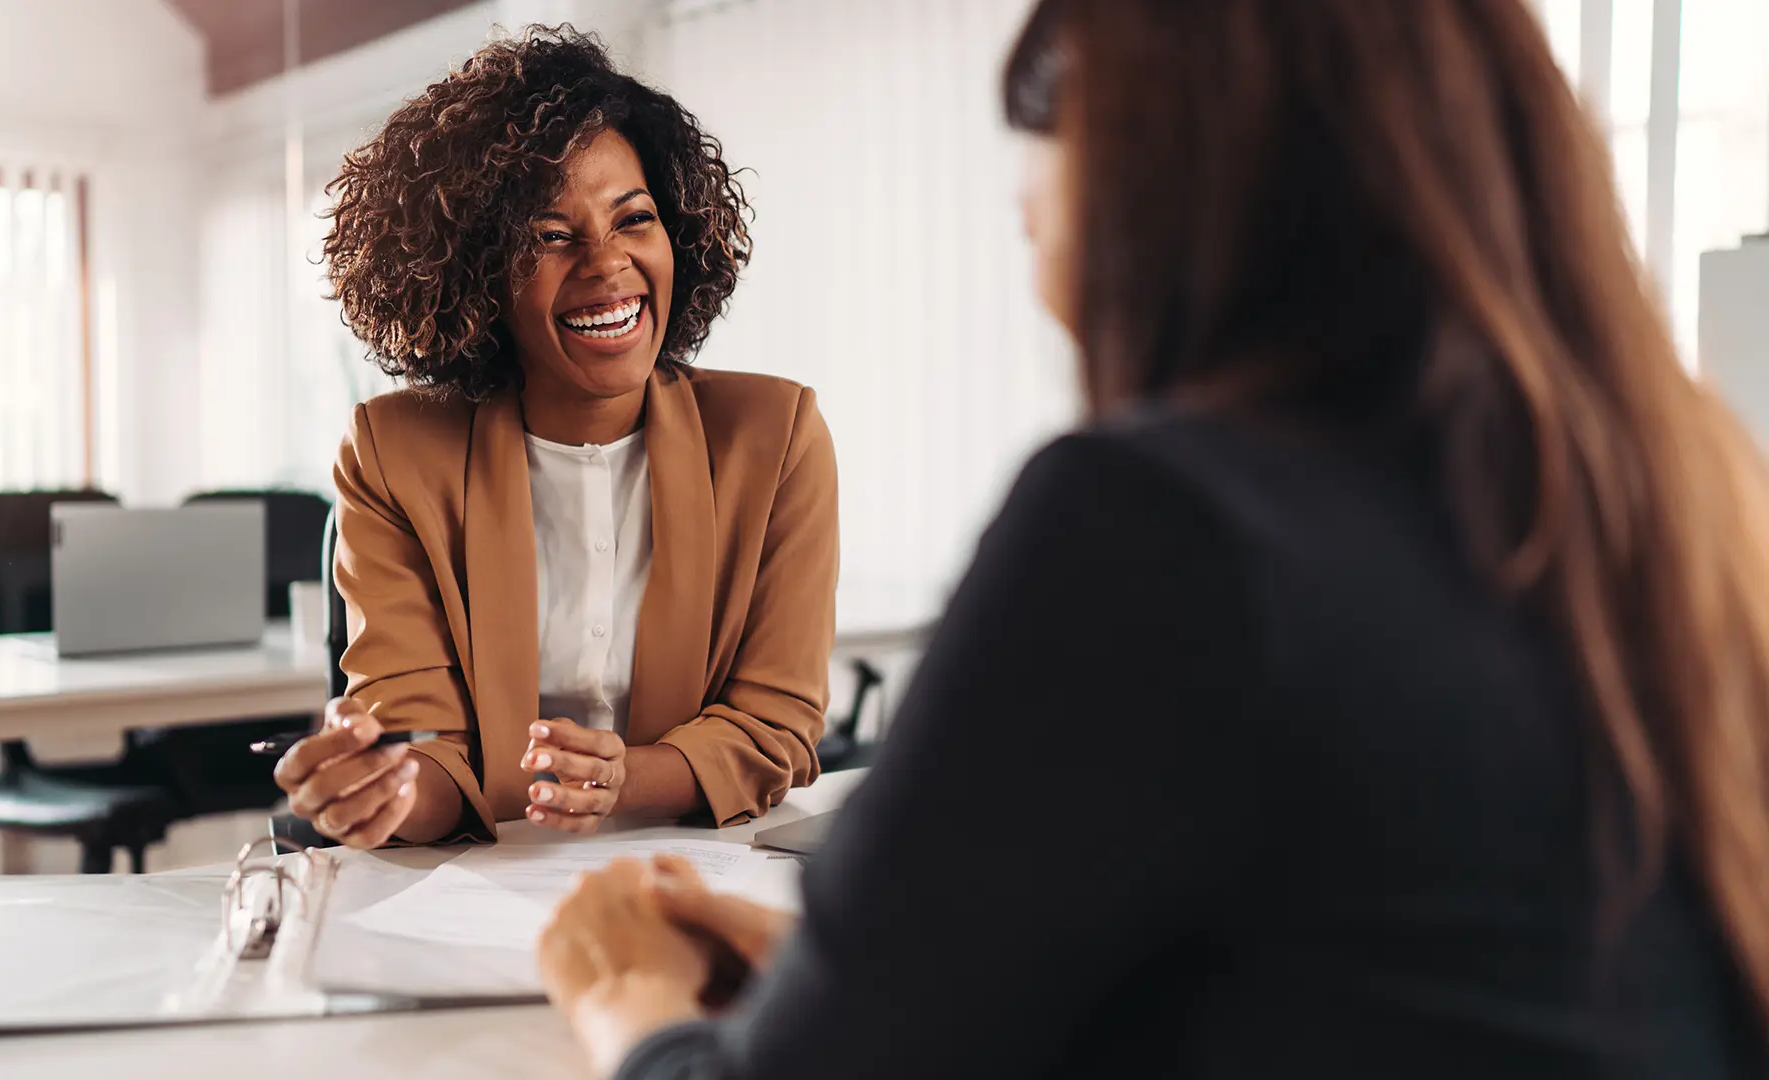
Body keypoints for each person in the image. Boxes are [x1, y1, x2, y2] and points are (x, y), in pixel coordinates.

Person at [534, 0, 1769, 1075]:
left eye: (1040, 186)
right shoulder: (1678, 498)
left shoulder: (1166, 527)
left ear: (1158, 183)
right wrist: (867, 977)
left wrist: (626, 1000)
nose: (1035, 261)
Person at [271, 27, 839, 848]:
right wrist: (383, 788)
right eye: (548, 235)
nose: (606, 265)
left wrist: (621, 780)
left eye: (633, 218)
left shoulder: (775, 437)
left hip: (695, 865)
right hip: (475, 884)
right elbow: (426, 749)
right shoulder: (394, 453)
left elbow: (774, 724)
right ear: (475, 272)